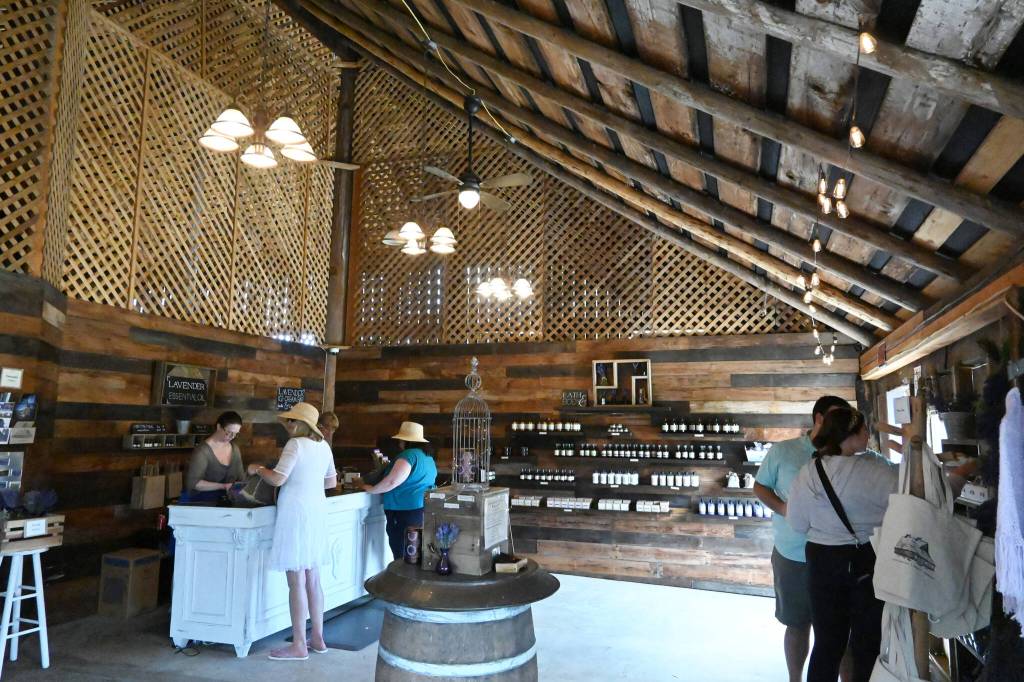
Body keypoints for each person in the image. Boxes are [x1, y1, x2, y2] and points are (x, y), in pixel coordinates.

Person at [786, 407, 897, 682]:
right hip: (866, 558)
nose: (868, 434)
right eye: (863, 430)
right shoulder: (877, 469)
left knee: (827, 642)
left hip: (822, 559)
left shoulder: (809, 471)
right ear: (848, 436)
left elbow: (797, 523)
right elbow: (905, 503)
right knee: (867, 642)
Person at [753, 395, 851, 682]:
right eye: (837, 416)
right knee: (797, 624)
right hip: (793, 553)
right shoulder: (784, 451)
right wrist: (784, 508)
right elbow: (760, 487)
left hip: (840, 554)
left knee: (840, 629)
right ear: (818, 418)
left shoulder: (851, 452)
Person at [247, 402, 337, 661]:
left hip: (295, 513)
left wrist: (257, 469)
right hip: (316, 511)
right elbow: (331, 482)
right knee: (313, 579)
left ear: (301, 424)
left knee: (296, 580)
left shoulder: (295, 445)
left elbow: (278, 479)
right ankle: (317, 638)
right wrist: (308, 480)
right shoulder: (323, 446)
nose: (288, 425)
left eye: (291, 421)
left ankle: (299, 644)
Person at [362, 421, 437, 561]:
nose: (399, 443)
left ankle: (403, 576)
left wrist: (372, 489)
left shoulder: (408, 455)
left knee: (402, 554)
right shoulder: (428, 457)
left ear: (406, 441)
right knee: (415, 553)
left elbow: (392, 481)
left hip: (404, 511)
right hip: (422, 508)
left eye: (401, 440)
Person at [183, 411, 245, 502]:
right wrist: (223, 486)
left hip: (228, 501)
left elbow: (241, 478)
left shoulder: (235, 449)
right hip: (203, 501)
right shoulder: (203, 451)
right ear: (218, 427)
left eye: (236, 434)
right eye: (229, 432)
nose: (232, 436)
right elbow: (193, 483)